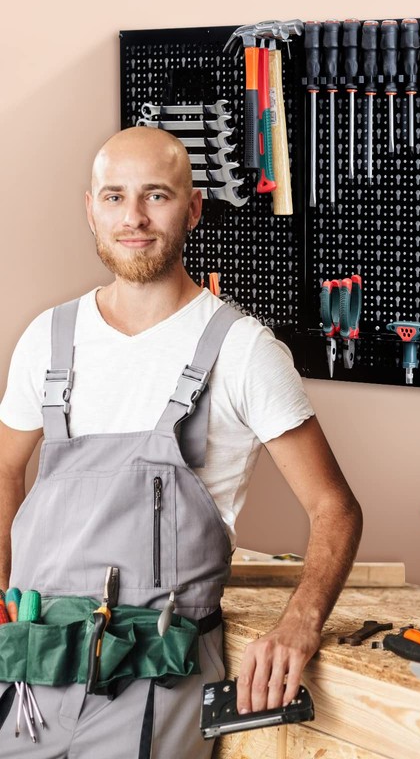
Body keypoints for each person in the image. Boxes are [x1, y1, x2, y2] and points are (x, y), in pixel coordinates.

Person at [0, 126, 363, 757]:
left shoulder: (243, 351)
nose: (133, 217)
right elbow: (4, 471)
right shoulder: (47, 339)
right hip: (32, 674)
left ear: (193, 207)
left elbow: (335, 509)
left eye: (156, 196)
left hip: (155, 684)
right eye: (113, 197)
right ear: (90, 208)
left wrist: (301, 624)